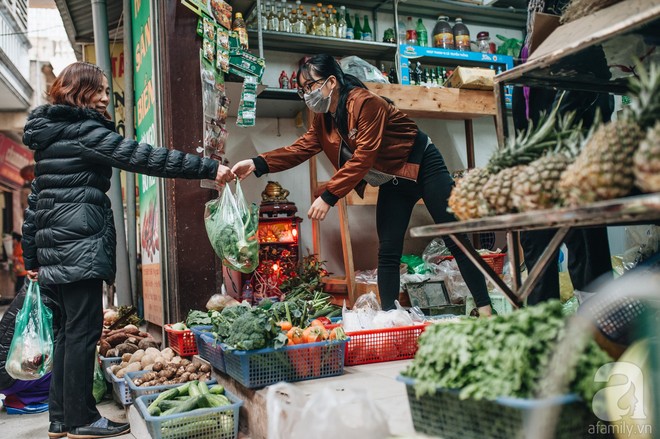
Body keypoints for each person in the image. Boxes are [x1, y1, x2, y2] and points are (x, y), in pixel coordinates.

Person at [21, 62, 235, 439]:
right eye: (98, 89)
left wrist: (32, 257)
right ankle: (81, 419)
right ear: (78, 91)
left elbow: (36, 201)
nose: (106, 96)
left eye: (106, 89)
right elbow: (145, 157)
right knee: (82, 334)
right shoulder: (85, 131)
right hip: (78, 245)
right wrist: (207, 167)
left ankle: (59, 419)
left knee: (67, 335)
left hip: (56, 249)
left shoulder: (50, 137)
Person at [232, 54, 492, 315]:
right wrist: (257, 163)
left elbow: (364, 157)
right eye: (303, 90)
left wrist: (329, 196)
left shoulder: (366, 103)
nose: (307, 94)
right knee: (388, 251)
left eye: (310, 86)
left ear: (331, 82)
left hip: (423, 165)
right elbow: (300, 148)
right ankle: (392, 318)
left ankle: (485, 310)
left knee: (456, 239)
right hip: (392, 179)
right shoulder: (323, 119)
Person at [0, 283, 60, 415]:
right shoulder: (45, 297)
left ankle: (21, 394)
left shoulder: (33, 290)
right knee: (67, 359)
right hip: (9, 375)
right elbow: (58, 343)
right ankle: (23, 399)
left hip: (5, 372)